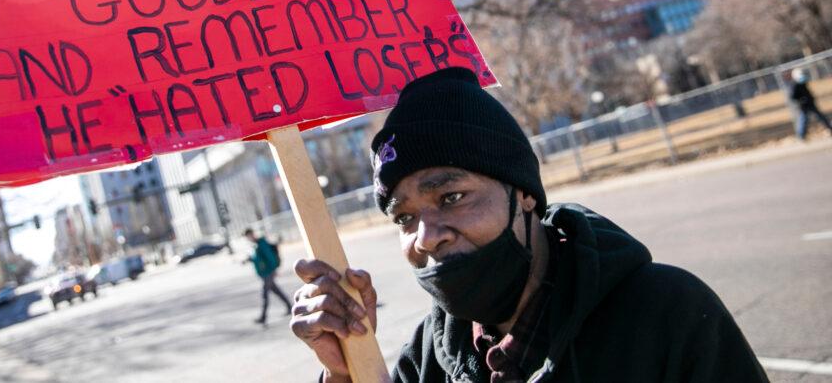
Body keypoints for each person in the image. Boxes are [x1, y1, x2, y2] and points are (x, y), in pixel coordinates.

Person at [290, 67, 768, 382]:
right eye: (405, 216)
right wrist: (346, 372)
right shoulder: (426, 360)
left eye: (452, 197)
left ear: (522, 193)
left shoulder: (667, 314)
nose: (427, 235)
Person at [244, 227, 292, 326]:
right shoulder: (255, 245)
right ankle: (290, 306)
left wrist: (274, 269)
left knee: (265, 295)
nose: (249, 238)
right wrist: (250, 260)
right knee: (277, 291)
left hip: (268, 273)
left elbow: (270, 257)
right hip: (264, 274)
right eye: (247, 237)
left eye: (249, 236)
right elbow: (259, 259)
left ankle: (263, 317)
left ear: (252, 234)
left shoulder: (261, 244)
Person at [788, 67, 832, 140]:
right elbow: (793, 97)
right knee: (803, 120)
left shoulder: (803, 83)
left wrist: (810, 98)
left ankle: (830, 128)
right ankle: (801, 136)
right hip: (803, 106)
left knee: (821, 117)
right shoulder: (794, 85)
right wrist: (801, 100)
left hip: (810, 103)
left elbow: (807, 92)